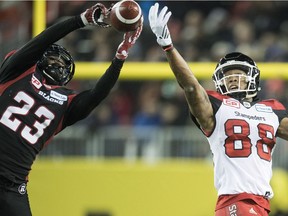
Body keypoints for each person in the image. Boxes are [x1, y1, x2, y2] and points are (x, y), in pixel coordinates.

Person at [0, 3, 142, 216]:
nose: (57, 62)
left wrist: (120, 58)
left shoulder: (66, 102)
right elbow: (42, 40)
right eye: (53, 57)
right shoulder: (17, 71)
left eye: (62, 62)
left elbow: (96, 95)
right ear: (39, 60)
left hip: (14, 184)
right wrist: (80, 20)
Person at [148, 2, 288, 216]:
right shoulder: (217, 105)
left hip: (260, 204)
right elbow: (191, 87)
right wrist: (169, 47)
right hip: (236, 200)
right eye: (227, 75)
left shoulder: (272, 109)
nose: (232, 78)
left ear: (252, 78)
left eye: (238, 73)